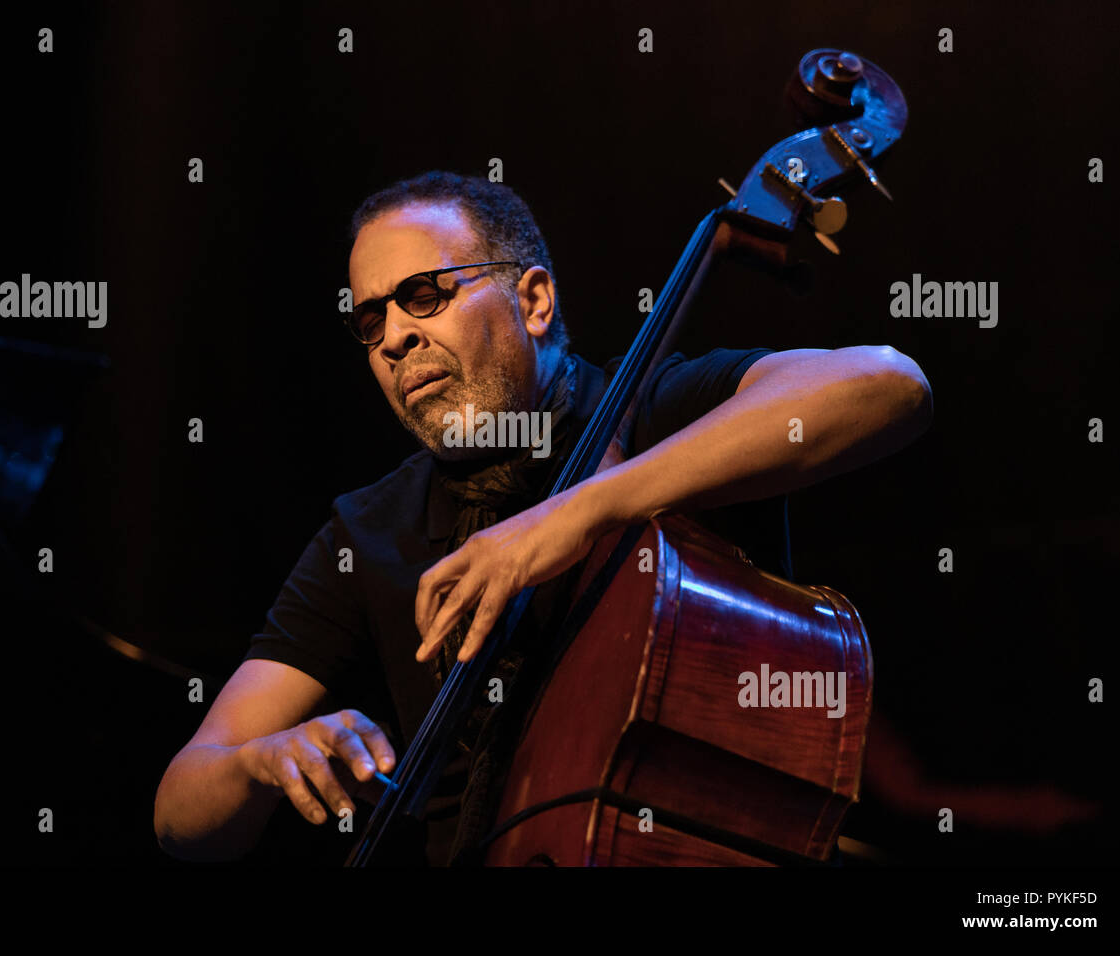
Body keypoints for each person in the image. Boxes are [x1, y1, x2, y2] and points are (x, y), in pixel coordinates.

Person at [153, 170, 933, 865]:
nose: (394, 337)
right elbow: (181, 810)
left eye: (424, 294)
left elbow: (887, 386)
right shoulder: (367, 531)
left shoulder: (650, 414)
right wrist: (263, 760)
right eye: (369, 321)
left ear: (533, 300)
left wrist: (579, 511)